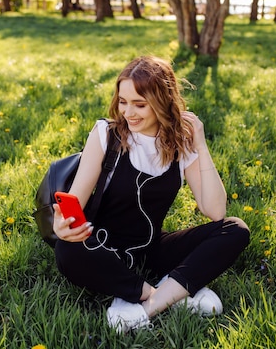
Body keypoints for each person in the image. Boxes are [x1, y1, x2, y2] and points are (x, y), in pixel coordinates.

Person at [52, 55, 250, 333]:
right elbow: (75, 202)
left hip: (150, 250)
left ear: (161, 102)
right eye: (123, 102)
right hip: (101, 247)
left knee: (235, 230)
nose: (128, 113)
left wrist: (201, 146)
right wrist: (61, 227)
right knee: (67, 250)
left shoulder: (180, 145)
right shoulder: (105, 135)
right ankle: (167, 292)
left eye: (139, 104)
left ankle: (148, 305)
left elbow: (215, 211)